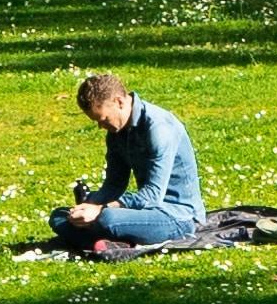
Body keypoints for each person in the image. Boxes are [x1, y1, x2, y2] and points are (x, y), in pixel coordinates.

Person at [53, 72, 203, 248]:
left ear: (119, 102)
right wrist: (89, 204)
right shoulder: (116, 131)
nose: (101, 127)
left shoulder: (159, 128)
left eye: (103, 119)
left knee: (107, 219)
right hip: (145, 212)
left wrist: (101, 209)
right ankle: (111, 240)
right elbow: (114, 185)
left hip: (177, 216)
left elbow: (153, 194)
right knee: (60, 216)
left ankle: (99, 239)